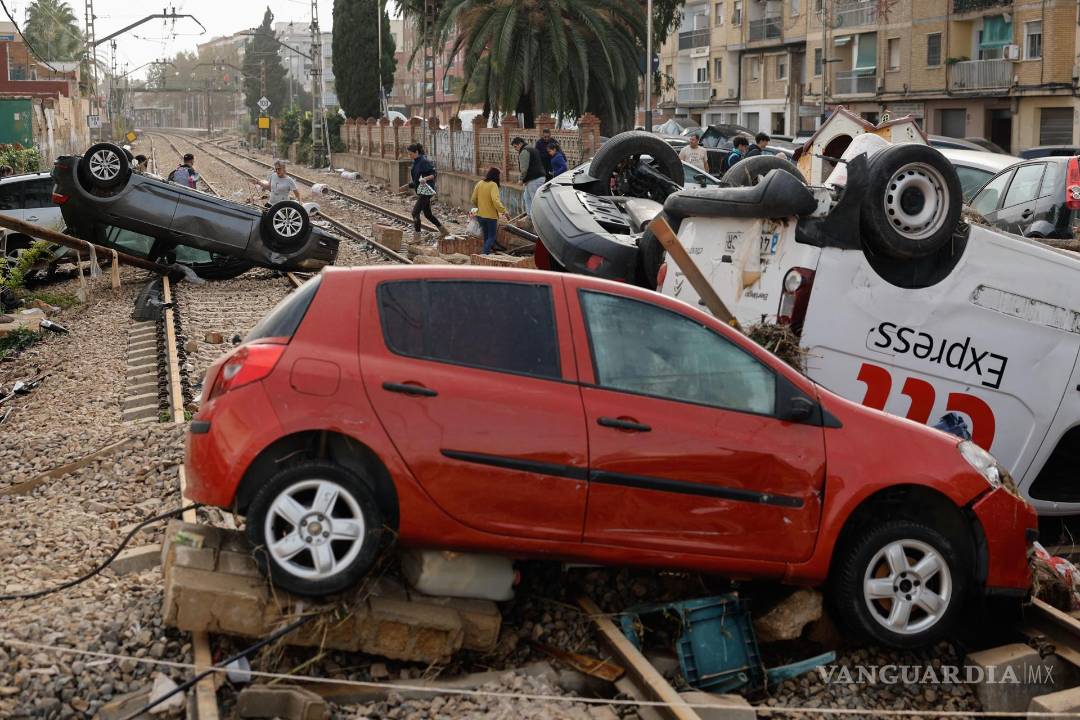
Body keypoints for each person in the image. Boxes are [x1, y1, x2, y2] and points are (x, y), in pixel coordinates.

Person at [400, 143, 448, 239]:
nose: (410, 156)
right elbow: (417, 181)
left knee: (415, 213)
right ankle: (444, 231)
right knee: (428, 214)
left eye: (411, 154)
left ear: (416, 152)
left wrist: (426, 178)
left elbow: (434, 174)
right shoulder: (415, 162)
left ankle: (417, 238)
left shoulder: (423, 161)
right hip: (422, 191)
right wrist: (407, 185)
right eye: (408, 154)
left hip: (427, 191)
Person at [470, 167, 510, 254]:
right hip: (491, 217)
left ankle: (485, 254)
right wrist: (504, 211)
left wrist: (480, 206)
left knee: (486, 236)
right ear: (496, 176)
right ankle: (484, 255)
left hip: (480, 215)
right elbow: (495, 201)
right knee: (491, 237)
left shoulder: (480, 183)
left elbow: (473, 199)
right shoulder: (493, 185)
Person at [512, 136, 545, 214]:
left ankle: (536, 217)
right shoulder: (531, 148)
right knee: (526, 197)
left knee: (534, 200)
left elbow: (524, 168)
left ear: (520, 144)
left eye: (515, 147)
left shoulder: (524, 151)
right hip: (537, 178)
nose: (515, 149)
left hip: (534, 179)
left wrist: (521, 179)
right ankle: (530, 216)